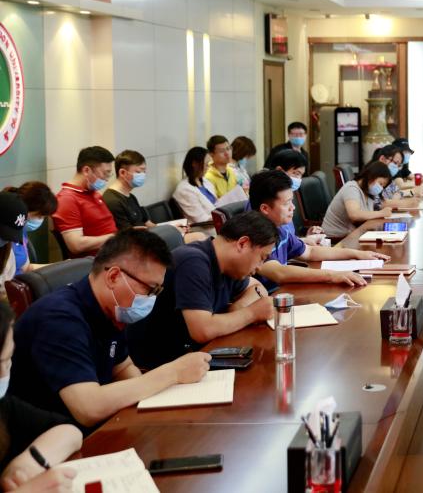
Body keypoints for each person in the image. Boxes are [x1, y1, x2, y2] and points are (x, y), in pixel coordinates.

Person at [10, 230, 211, 427]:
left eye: (157, 291)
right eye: (149, 289)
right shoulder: (58, 318)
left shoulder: (110, 309)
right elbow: (89, 409)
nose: (151, 298)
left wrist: (153, 401)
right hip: (53, 436)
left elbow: (123, 367)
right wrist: (173, 373)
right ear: (114, 276)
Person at [126, 212, 278, 370]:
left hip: (194, 355)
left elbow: (257, 288)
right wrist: (252, 313)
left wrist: (238, 309)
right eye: (262, 257)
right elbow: (203, 330)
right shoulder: (193, 262)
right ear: (242, 244)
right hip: (159, 366)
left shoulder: (229, 266)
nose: (260, 267)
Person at [248, 170, 385, 288]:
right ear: (265, 208)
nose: (292, 207)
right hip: (266, 300)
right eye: (286, 203)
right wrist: (332, 275)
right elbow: (280, 273)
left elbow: (310, 252)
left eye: (292, 201)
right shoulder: (254, 236)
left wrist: (357, 254)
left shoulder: (280, 230)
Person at [0, 301, 82, 492]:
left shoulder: (4, 405)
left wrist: (28, 464)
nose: (4, 372)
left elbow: (69, 430)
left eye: (8, 359)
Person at [51, 147, 118, 257]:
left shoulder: (93, 192)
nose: (106, 179)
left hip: (116, 253)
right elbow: (76, 245)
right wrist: (116, 238)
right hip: (98, 262)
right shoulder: (67, 200)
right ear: (86, 170)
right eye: (105, 173)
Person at [321, 162, 394, 238]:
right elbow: (354, 215)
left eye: (383, 186)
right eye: (380, 183)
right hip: (335, 239)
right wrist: (381, 213)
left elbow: (369, 214)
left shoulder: (369, 192)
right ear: (371, 176)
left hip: (352, 234)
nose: (380, 188)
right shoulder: (351, 188)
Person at [2, 184, 56, 279]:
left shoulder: (19, 231)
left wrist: (63, 266)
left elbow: (26, 268)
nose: (41, 221)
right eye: (39, 216)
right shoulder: (7, 234)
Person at [102, 150, 155, 231]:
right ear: (123, 173)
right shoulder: (113, 201)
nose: (143, 175)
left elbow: (148, 223)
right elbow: (127, 235)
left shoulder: (131, 196)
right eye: (138, 172)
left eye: (144, 172)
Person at [173, 147, 217, 226]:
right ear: (195, 164)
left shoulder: (205, 181)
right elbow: (201, 220)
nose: (208, 168)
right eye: (206, 165)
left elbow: (216, 205)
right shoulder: (184, 189)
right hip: (204, 228)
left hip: (215, 224)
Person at [203, 135, 239, 200]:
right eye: (222, 151)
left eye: (228, 149)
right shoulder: (207, 177)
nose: (227, 153)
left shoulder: (231, 171)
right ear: (211, 154)